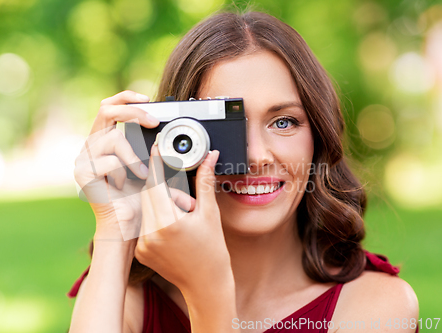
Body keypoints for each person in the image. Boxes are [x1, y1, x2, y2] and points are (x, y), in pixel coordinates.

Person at [68, 11, 419, 333]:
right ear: (174, 138)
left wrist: (209, 291)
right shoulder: (124, 297)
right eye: (225, 127)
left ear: (319, 135)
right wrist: (116, 232)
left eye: (284, 122)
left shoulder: (377, 306)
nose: (255, 156)